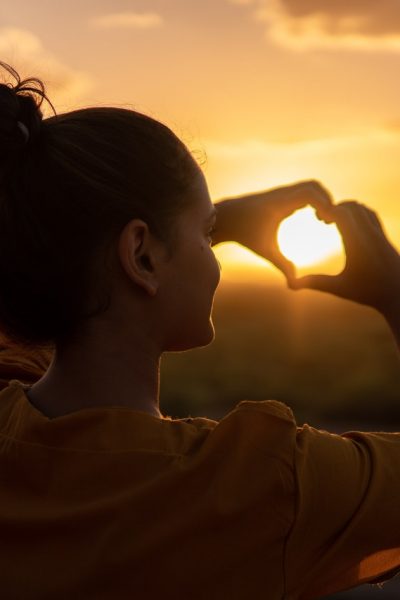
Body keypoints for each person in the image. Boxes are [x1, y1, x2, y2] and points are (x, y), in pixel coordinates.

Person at [0, 60, 399, 600]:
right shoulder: (261, 486)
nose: (214, 258)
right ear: (140, 254)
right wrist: (392, 291)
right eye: (206, 232)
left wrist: (195, 223)